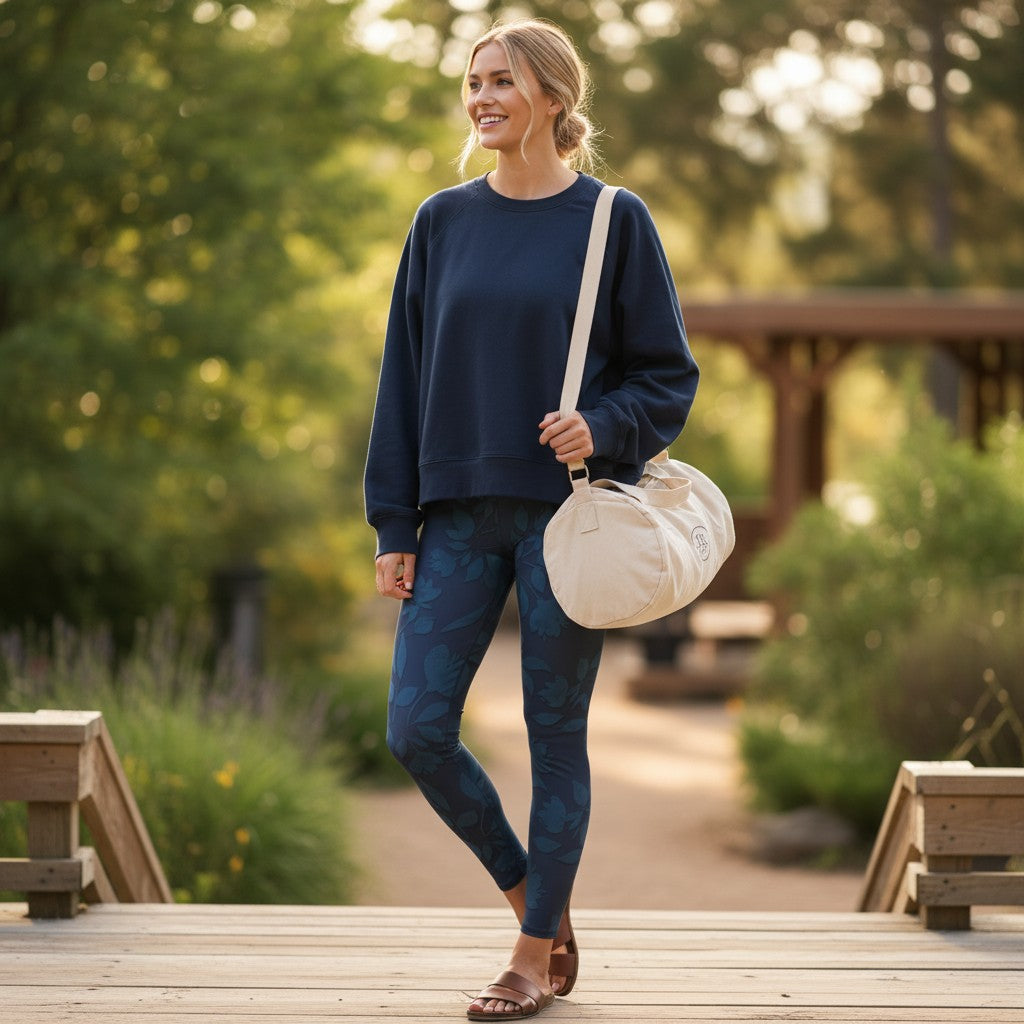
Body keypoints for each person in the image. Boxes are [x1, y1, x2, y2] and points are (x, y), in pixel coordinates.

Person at [364, 18, 699, 1021]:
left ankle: (524, 956)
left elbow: (667, 377)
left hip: (568, 522)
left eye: (501, 81)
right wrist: (393, 524)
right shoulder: (440, 222)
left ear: (551, 95)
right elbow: (401, 380)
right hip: (457, 514)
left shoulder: (612, 221)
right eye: (472, 83)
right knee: (416, 729)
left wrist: (599, 424)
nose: (481, 98)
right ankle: (537, 900)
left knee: (556, 738)